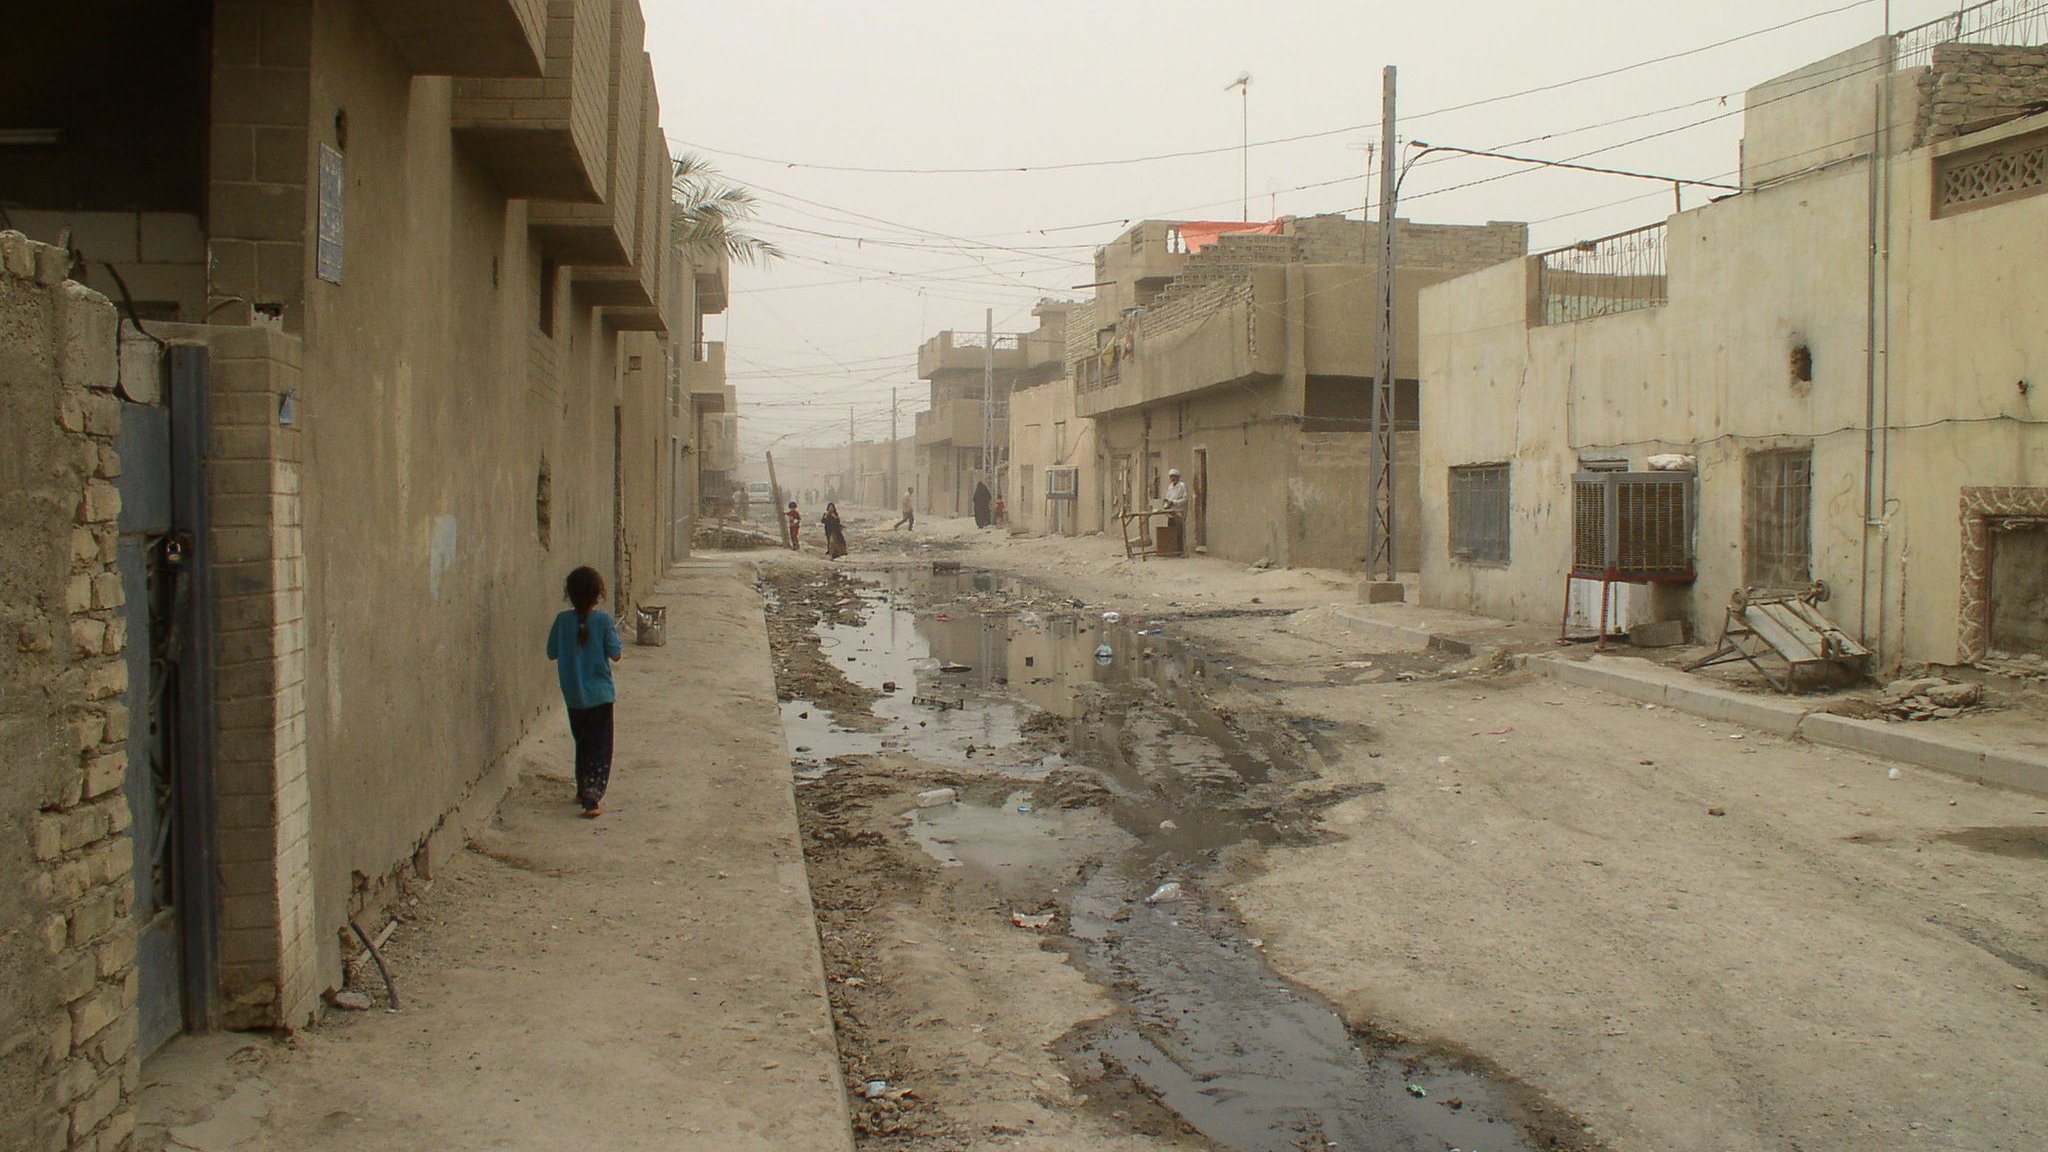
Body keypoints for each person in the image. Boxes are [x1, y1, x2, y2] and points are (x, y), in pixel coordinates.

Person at [546, 566, 623, 817]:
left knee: (582, 742)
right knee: (599, 747)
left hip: (574, 697)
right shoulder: (602, 621)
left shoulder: (561, 621)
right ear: (598, 593)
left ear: (569, 593)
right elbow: (616, 654)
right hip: (600, 696)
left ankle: (581, 788)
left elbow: (551, 652)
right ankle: (591, 799)